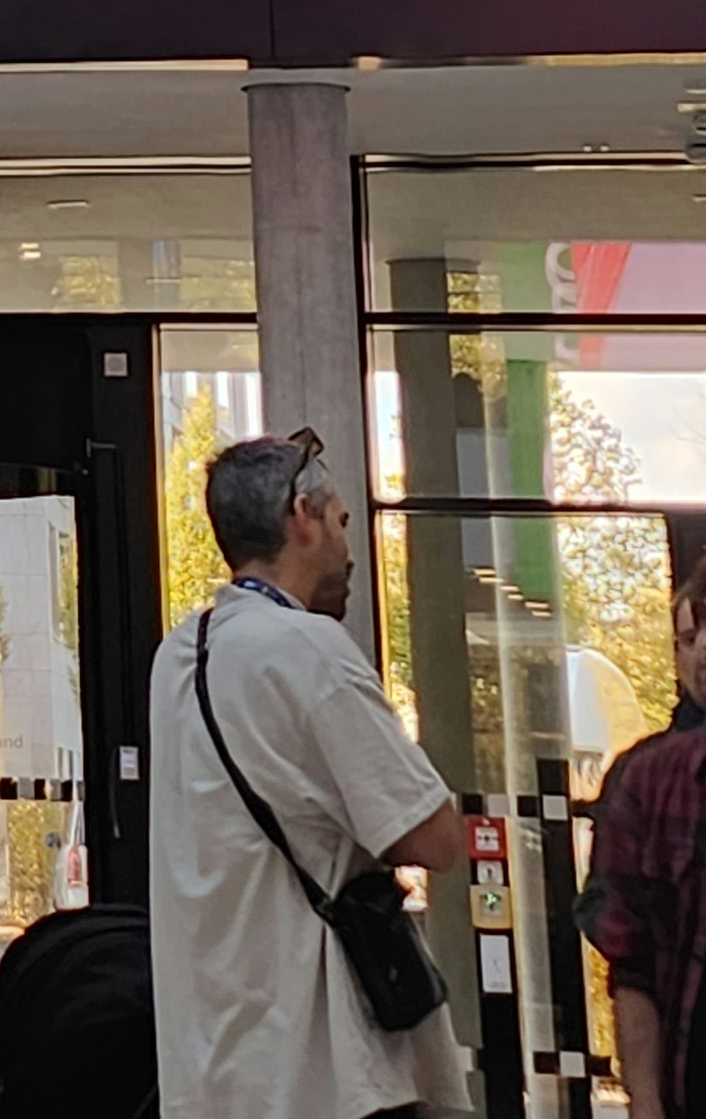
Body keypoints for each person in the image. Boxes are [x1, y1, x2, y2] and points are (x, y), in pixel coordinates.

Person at [149, 430, 465, 1119]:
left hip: (210, 1066)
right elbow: (435, 838)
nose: (350, 551)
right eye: (343, 522)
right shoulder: (307, 648)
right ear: (303, 515)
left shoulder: (180, 655)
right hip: (322, 1065)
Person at [588, 553, 706, 1119]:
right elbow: (630, 958)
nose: (702, 651)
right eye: (689, 638)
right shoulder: (652, 780)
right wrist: (646, 1099)